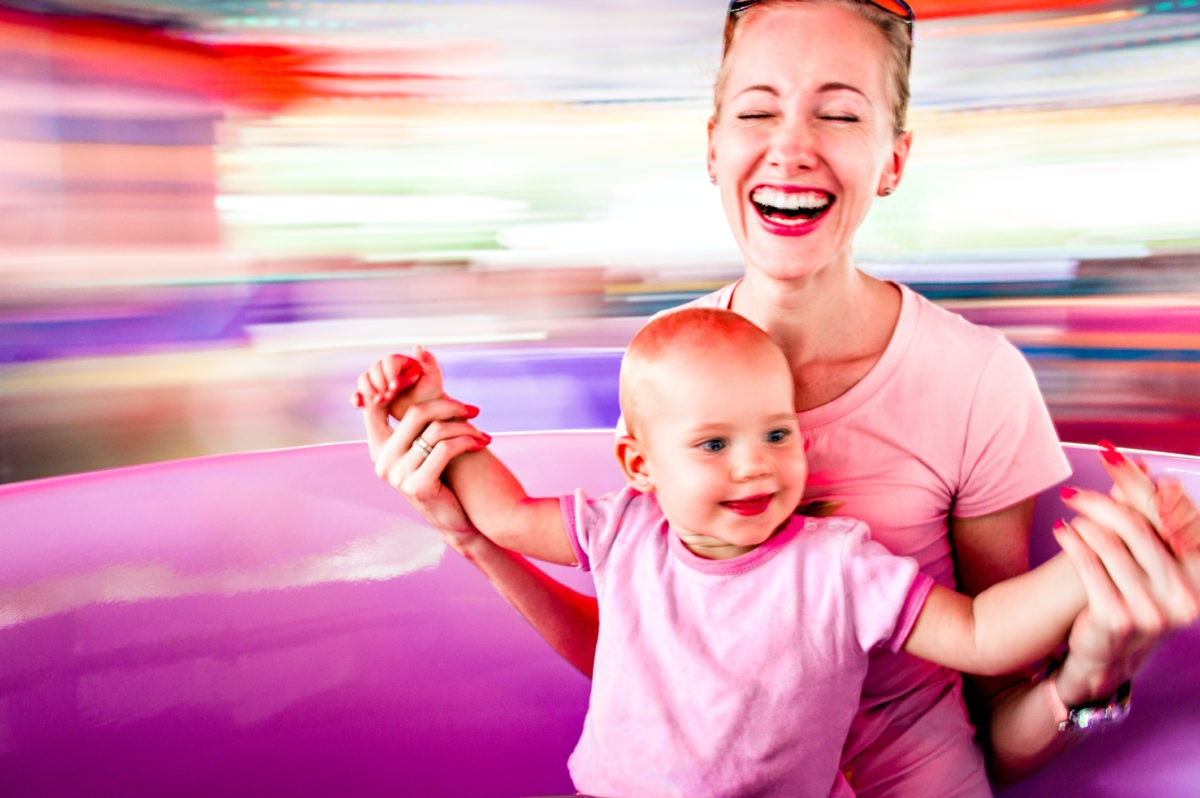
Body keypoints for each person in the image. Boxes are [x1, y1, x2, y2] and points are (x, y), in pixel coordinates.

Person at [356, 1, 1200, 795]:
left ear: (893, 158)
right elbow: (661, 660)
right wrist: (464, 522)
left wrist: (1091, 666)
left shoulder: (974, 383)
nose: (792, 148)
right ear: (713, 146)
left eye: (840, 115)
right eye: (758, 111)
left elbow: (991, 679)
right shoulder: (670, 362)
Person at [358, 307, 1165, 798]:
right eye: (714, 444)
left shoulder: (837, 565)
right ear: (640, 465)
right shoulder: (621, 528)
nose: (756, 466)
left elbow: (983, 634)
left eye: (777, 434)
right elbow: (501, 516)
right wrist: (427, 406)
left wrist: (1096, 556)